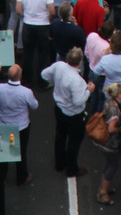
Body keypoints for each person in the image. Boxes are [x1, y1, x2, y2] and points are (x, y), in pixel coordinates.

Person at [40, 45, 94, 178]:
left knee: (60, 135)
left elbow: (44, 74)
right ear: (80, 62)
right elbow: (78, 101)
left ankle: (59, 163)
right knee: (74, 142)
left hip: (59, 109)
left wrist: (55, 81)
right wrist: (89, 91)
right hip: (74, 115)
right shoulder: (77, 80)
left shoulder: (59, 66)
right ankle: (72, 169)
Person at [0, 63, 38, 185]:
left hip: (4, 124)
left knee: (3, 151)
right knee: (21, 152)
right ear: (20, 76)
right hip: (21, 126)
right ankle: (21, 176)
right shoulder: (26, 92)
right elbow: (34, 105)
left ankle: (2, 176)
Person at [15, 0, 56, 85]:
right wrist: (49, 19)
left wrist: (26, 15)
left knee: (28, 54)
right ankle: (42, 82)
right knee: (43, 56)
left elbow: (18, 10)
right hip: (43, 26)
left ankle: (26, 80)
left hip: (28, 25)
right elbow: (52, 11)